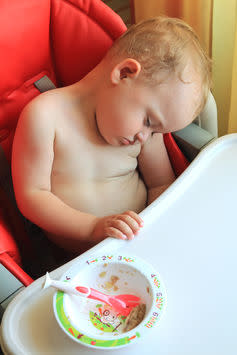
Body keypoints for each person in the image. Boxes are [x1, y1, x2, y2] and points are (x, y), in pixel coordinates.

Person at [11, 16, 211, 253]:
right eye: (148, 122)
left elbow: (161, 184)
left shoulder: (144, 135)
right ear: (124, 73)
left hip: (142, 244)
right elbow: (32, 196)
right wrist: (93, 227)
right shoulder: (45, 116)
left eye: (156, 131)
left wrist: (164, 231)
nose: (145, 137)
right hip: (72, 263)